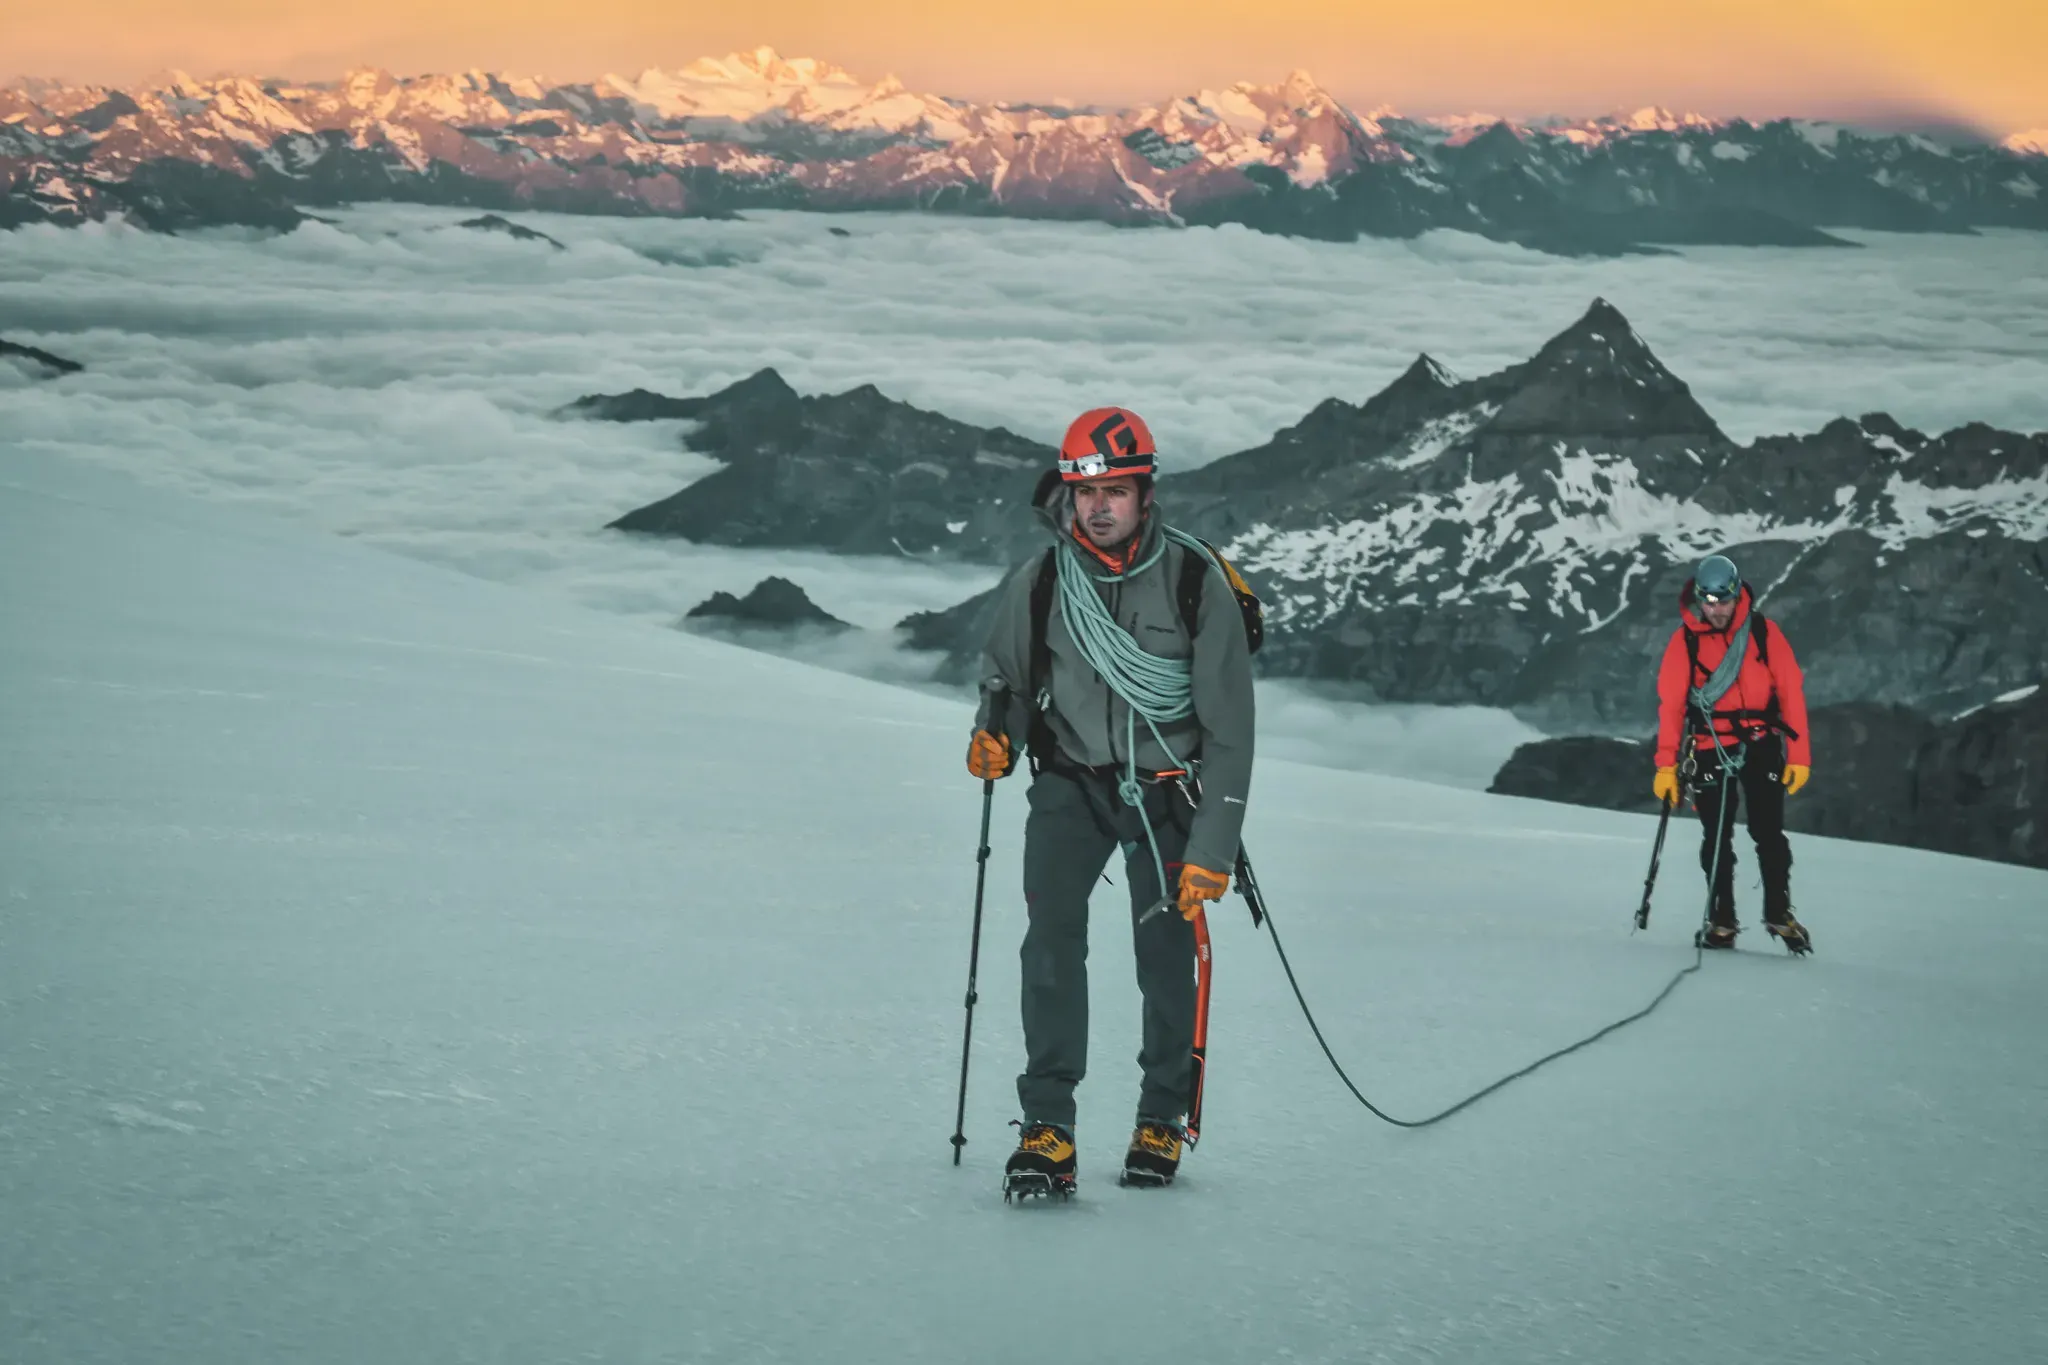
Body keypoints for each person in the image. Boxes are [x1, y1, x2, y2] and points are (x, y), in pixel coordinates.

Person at [965, 406, 1256, 1194]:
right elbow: (1010, 682)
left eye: (1116, 491)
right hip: (1070, 781)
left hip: (1168, 790)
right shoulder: (1044, 581)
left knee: (1164, 959)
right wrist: (997, 733)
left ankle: (1161, 1117)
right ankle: (1048, 1128)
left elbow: (1231, 728)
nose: (1099, 507)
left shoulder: (1196, 582)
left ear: (1145, 494)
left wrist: (1213, 850)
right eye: (1086, 491)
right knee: (1051, 947)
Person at [1653, 553, 1814, 954]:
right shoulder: (1685, 641)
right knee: (1717, 836)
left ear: (1736, 593)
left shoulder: (1763, 633)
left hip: (1759, 744)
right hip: (1708, 746)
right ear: (1699, 599)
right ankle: (1721, 919)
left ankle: (1778, 911)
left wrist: (1799, 756)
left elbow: (1791, 692)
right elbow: (1670, 706)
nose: (1716, 610)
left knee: (1768, 833)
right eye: (1708, 602)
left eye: (1722, 601)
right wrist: (1665, 766)